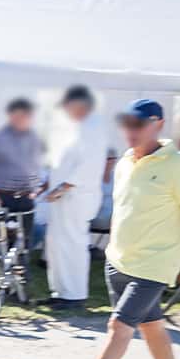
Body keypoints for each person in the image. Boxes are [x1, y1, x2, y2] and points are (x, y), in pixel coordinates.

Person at [41, 99, 180, 359]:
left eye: (138, 124)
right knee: (152, 328)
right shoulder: (125, 161)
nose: (130, 130)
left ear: (158, 124)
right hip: (119, 261)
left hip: (154, 265)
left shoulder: (179, 164)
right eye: (126, 124)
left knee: (120, 326)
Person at [41, 85, 112, 309]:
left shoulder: (93, 127)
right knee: (56, 245)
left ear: (80, 105)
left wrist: (64, 186)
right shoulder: (75, 128)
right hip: (63, 196)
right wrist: (50, 184)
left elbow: (90, 165)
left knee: (72, 244)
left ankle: (74, 295)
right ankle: (60, 291)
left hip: (77, 196)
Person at [0, 97, 45, 268]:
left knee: (22, 247)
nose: (22, 120)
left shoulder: (34, 139)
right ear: (10, 116)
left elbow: (36, 168)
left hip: (25, 200)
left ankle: (19, 283)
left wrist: (35, 190)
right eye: (18, 116)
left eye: (26, 116)